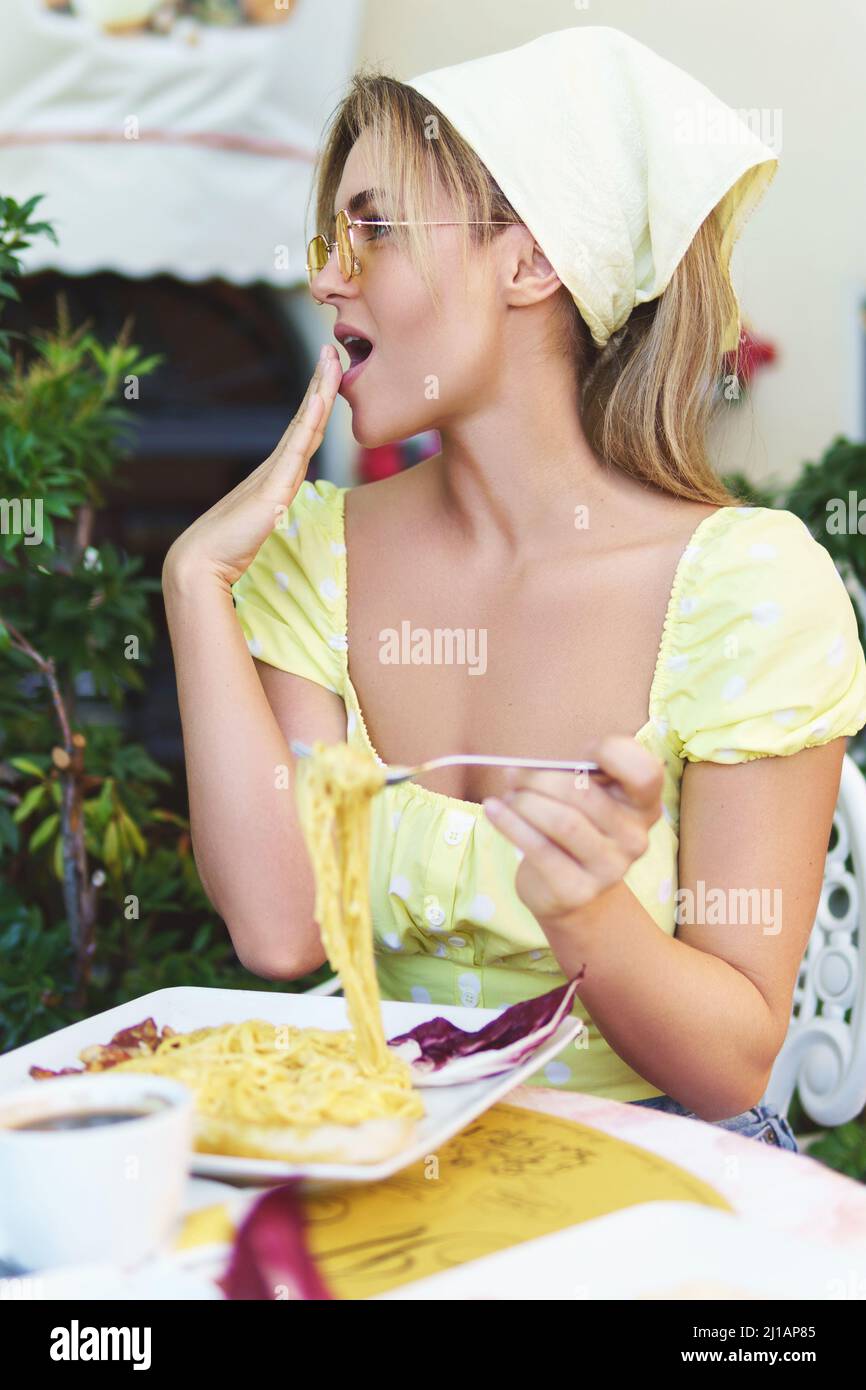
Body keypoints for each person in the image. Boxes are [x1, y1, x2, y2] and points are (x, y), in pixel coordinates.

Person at [162, 27, 866, 1154]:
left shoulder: (746, 585)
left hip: (651, 1168)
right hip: (380, 1156)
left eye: (375, 230)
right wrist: (194, 579)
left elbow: (731, 1059)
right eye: (330, 234)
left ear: (529, 264)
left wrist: (586, 911)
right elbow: (280, 927)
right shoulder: (312, 555)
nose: (325, 274)